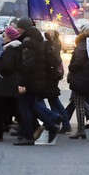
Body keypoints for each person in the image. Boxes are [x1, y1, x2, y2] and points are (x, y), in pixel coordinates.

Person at [13, 17, 61, 146]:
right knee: (33, 106)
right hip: (37, 80)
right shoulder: (38, 39)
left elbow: (27, 64)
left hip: (30, 81)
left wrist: (22, 83)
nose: (17, 29)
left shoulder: (28, 42)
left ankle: (29, 136)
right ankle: (52, 122)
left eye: (18, 27)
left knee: (24, 108)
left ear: (23, 28)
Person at [0, 26, 22, 141]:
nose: (3, 37)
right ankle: (32, 128)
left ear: (10, 37)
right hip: (8, 84)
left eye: (5, 35)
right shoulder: (12, 48)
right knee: (13, 109)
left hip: (6, 84)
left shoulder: (10, 49)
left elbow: (7, 67)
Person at [67, 20, 89, 139]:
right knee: (80, 102)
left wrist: (71, 67)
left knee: (79, 103)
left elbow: (79, 62)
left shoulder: (82, 43)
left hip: (81, 77)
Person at [42, 29, 71, 133]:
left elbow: (50, 62)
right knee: (53, 101)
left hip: (50, 77)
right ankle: (56, 121)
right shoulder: (55, 45)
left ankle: (64, 123)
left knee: (55, 101)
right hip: (53, 77)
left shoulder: (51, 47)